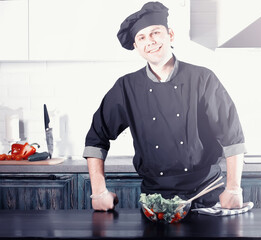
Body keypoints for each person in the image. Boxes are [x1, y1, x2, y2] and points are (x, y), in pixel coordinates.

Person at [83, 1, 246, 211]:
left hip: (205, 196)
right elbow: (96, 139)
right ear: (136, 46)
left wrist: (233, 189)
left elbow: (232, 137)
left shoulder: (202, 78)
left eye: (155, 33)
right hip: (155, 202)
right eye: (141, 37)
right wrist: (98, 191)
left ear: (170, 34)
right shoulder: (126, 87)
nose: (149, 41)